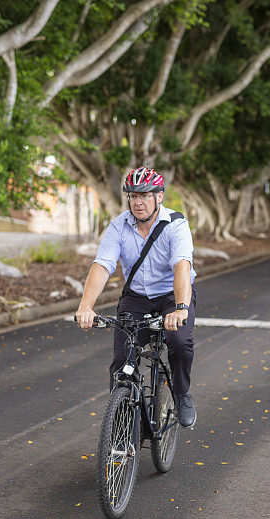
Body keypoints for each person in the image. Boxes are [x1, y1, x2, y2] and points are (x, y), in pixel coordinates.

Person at [75, 167, 197, 427]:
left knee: (178, 340)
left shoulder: (175, 225)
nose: (137, 202)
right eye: (132, 196)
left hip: (171, 296)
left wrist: (181, 308)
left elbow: (181, 268)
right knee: (122, 358)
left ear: (159, 196)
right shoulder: (119, 226)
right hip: (136, 297)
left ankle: (181, 393)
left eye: (144, 195)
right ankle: (119, 423)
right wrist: (86, 306)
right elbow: (102, 265)